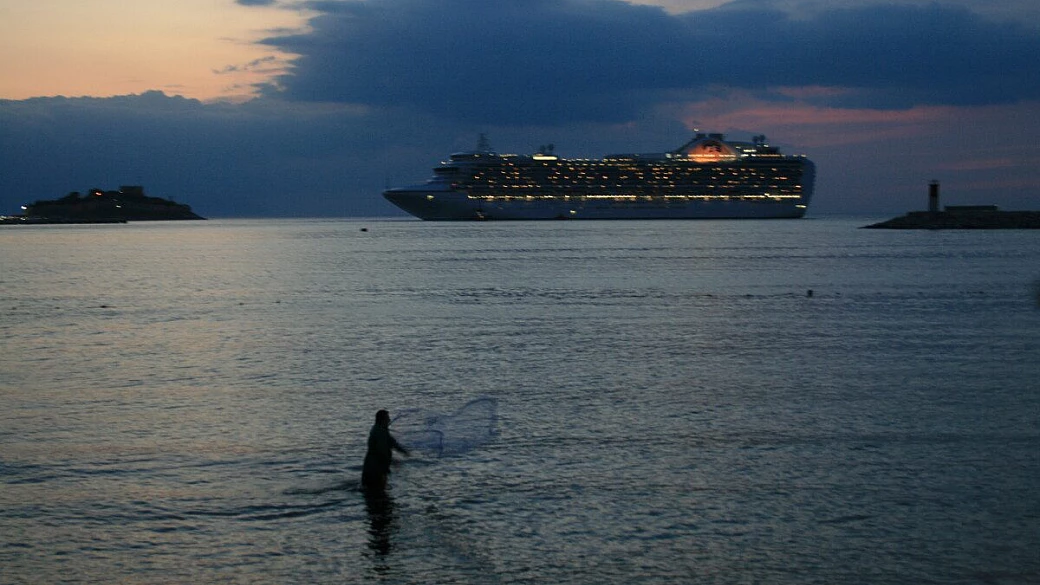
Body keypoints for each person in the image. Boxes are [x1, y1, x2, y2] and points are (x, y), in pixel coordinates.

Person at [361, 409, 409, 492]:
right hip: (375, 469)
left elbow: (392, 442)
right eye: (387, 418)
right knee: (377, 494)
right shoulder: (379, 432)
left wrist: (403, 451)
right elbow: (381, 451)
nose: (389, 420)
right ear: (382, 420)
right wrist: (394, 461)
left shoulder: (381, 430)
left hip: (375, 468)